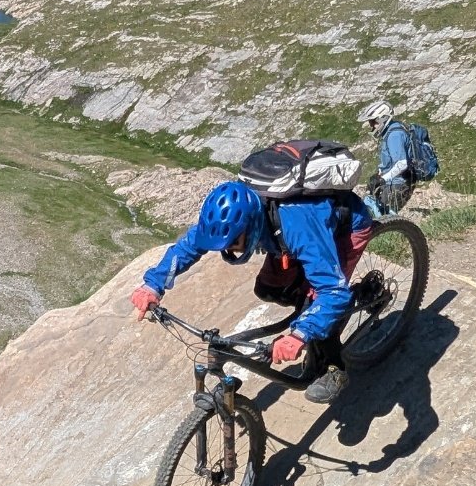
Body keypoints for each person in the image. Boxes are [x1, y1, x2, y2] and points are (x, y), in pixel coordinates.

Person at [130, 170, 375, 404]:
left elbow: (333, 291)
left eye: (233, 243)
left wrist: (300, 334)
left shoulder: (296, 226)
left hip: (343, 231)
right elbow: (188, 247)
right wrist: (153, 285)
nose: (228, 250)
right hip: (290, 240)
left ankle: (333, 366)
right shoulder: (237, 217)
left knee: (320, 299)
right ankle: (314, 312)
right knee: (268, 288)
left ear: (251, 226)